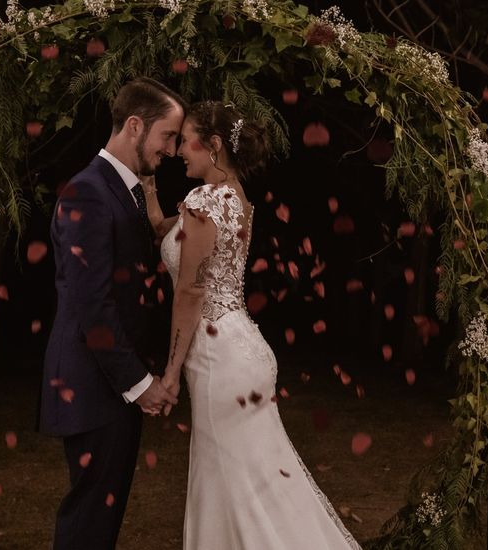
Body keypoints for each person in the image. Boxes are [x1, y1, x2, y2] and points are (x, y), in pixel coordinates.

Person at [147, 100, 362, 549]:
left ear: (214, 145)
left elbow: (190, 292)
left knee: (235, 490)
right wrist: (147, 188)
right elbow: (164, 231)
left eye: (186, 140)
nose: (180, 150)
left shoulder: (204, 202)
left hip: (218, 359)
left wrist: (169, 374)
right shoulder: (235, 197)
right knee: (260, 485)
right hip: (244, 348)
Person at [39, 77, 183, 550]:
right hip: (93, 386)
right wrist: (140, 386)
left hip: (110, 385)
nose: (173, 149)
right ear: (135, 125)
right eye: (168, 136)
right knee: (88, 524)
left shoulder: (128, 191)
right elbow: (93, 306)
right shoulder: (88, 193)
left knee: (103, 519)